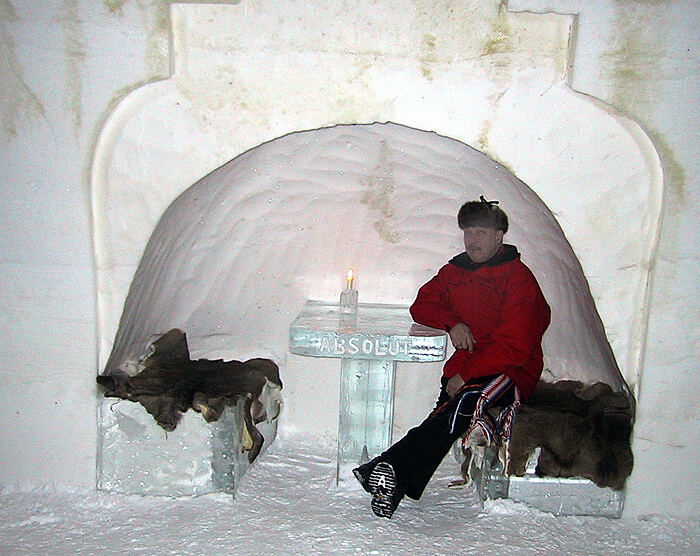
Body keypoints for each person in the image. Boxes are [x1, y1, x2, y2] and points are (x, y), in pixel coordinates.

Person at [353, 196, 551, 518]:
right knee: (442, 420)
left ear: (499, 235)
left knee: (459, 407)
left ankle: (383, 466)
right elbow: (421, 304)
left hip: (510, 370)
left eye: (481, 233)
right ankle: (393, 484)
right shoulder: (456, 270)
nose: (472, 241)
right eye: (468, 233)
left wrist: (468, 373)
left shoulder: (518, 280)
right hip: (466, 366)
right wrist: (452, 322)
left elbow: (516, 346)